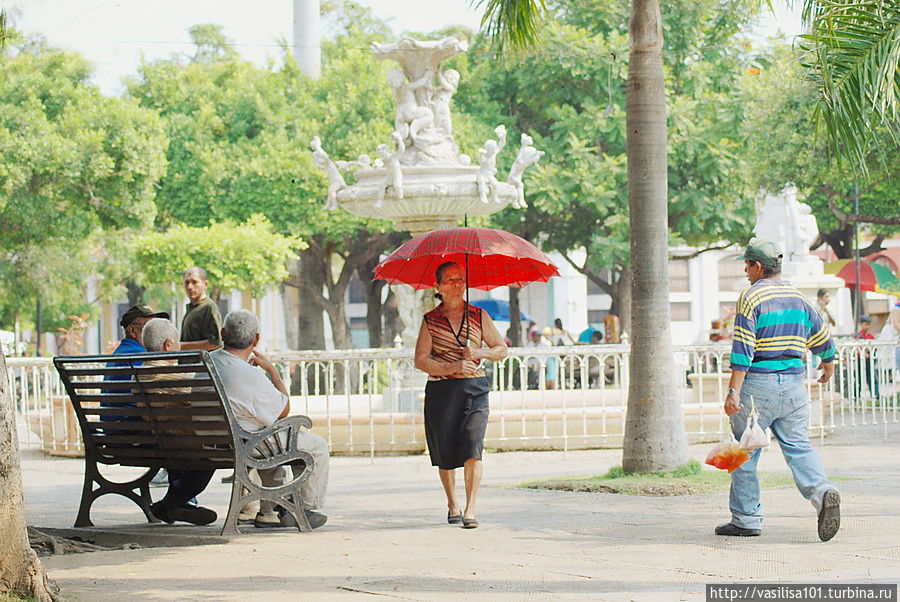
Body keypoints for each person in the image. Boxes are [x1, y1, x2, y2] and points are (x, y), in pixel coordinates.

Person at [719, 239, 840, 542]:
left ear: (758, 266)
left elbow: (743, 350)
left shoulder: (750, 297)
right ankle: (822, 491)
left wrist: (733, 392)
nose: (746, 271)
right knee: (799, 446)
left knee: (742, 452)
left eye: (747, 264)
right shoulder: (798, 295)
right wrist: (828, 363)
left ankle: (746, 519)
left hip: (757, 386)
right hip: (794, 385)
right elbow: (821, 336)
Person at [209, 309, 329, 530]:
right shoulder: (250, 375)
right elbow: (283, 410)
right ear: (256, 339)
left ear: (223, 332)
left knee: (267, 435)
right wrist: (273, 372)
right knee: (316, 446)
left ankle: (272, 510)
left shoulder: (206, 364)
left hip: (212, 442)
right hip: (244, 444)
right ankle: (304, 508)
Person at [414, 261, 508, 529]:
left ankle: (470, 509)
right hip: (442, 391)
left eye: (460, 279)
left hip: (474, 390)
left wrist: (479, 353)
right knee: (445, 451)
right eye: (450, 279)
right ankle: (452, 503)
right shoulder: (430, 320)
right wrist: (453, 366)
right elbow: (421, 360)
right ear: (438, 286)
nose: (457, 284)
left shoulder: (479, 315)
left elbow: (501, 349)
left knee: (472, 447)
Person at [140, 318, 218, 526]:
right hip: (189, 446)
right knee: (211, 453)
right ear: (168, 345)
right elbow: (207, 400)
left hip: (163, 444)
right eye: (177, 342)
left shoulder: (138, 375)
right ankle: (167, 505)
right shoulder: (172, 376)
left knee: (187, 450)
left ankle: (178, 505)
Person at [101, 305, 170, 425]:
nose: (156, 333)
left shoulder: (119, 353)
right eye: (149, 328)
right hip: (135, 429)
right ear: (132, 330)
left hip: (114, 430)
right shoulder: (138, 356)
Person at [180, 267, 223, 351]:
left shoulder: (209, 307)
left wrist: (182, 346)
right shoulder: (192, 308)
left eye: (194, 282)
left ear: (206, 284)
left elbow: (215, 343)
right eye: (187, 282)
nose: (190, 287)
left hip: (201, 363)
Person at [855, 316, 879, 399]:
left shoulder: (871, 336)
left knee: (872, 378)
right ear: (861, 324)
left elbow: (875, 347)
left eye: (869, 324)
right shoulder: (857, 336)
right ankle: (856, 397)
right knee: (858, 379)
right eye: (866, 324)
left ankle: (875, 395)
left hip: (869, 360)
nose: (868, 326)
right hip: (860, 360)